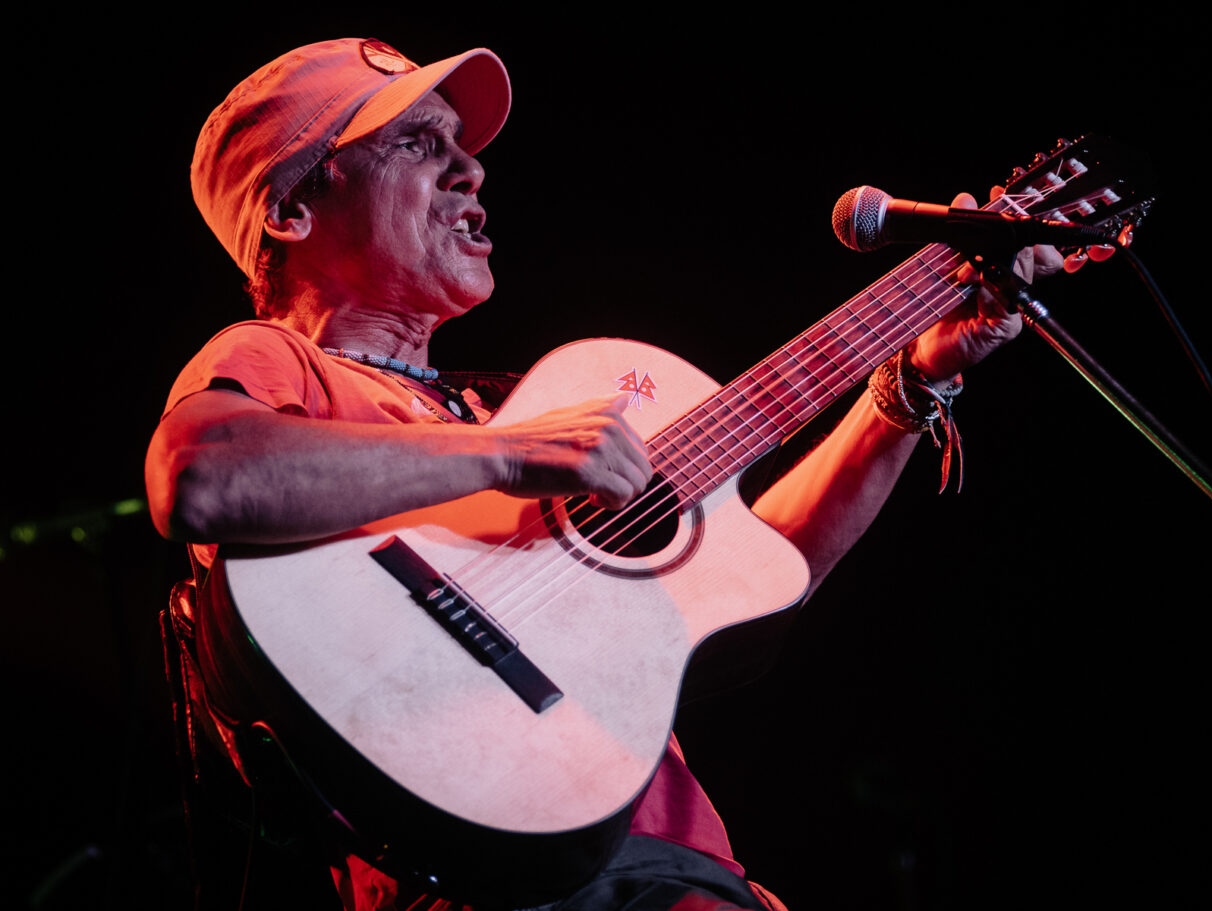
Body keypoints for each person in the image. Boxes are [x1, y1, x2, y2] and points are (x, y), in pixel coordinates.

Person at [147, 37, 1060, 911]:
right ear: (292, 211)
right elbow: (202, 474)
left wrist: (910, 383)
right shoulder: (285, 363)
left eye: (461, 148)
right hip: (484, 876)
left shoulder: (501, 407)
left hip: (667, 865)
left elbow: (763, 568)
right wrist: (511, 453)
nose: (470, 172)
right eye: (417, 145)